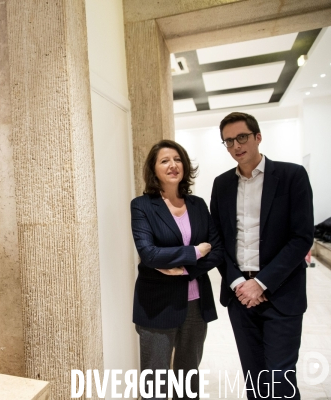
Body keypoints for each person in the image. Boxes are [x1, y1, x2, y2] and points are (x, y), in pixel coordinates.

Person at [210, 112, 314, 399]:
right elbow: (218, 240)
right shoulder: (222, 184)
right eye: (228, 141)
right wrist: (238, 284)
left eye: (241, 137)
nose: (236, 145)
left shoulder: (291, 176)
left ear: (257, 137)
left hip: (281, 295)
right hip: (240, 297)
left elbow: (302, 237)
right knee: (255, 382)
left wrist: (262, 283)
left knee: (279, 381)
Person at [131, 140, 223, 399]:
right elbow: (149, 253)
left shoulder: (198, 204)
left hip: (196, 303)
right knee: (155, 383)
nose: (173, 165)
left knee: (188, 380)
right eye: (164, 160)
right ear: (154, 169)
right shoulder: (142, 206)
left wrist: (182, 269)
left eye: (178, 159)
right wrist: (194, 252)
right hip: (157, 304)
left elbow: (216, 250)